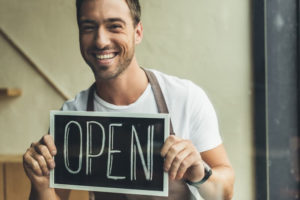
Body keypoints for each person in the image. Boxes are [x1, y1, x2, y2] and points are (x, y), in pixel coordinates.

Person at [23, 0, 235, 199]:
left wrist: (200, 173)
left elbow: (224, 194)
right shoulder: (72, 117)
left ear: (138, 32)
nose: (101, 40)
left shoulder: (185, 98)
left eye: (114, 26)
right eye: (89, 27)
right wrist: (41, 184)